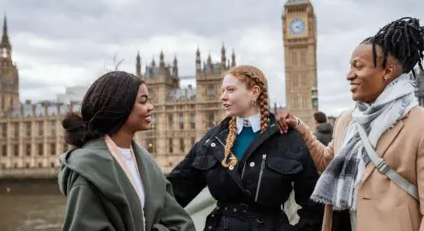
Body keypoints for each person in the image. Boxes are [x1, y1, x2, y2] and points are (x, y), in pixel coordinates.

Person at [277, 17, 424, 231]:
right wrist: (300, 127)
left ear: (387, 72)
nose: (349, 75)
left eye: (358, 67)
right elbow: (327, 162)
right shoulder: (348, 120)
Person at [167, 65, 324, 231]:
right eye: (222, 91)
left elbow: (314, 204)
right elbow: (175, 190)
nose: (222, 97)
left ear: (254, 92)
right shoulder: (214, 139)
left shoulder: (286, 138)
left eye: (230, 90)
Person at [58, 71, 195, 231]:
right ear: (120, 106)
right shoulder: (89, 169)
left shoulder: (146, 163)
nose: (151, 107)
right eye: (143, 102)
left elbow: (181, 223)